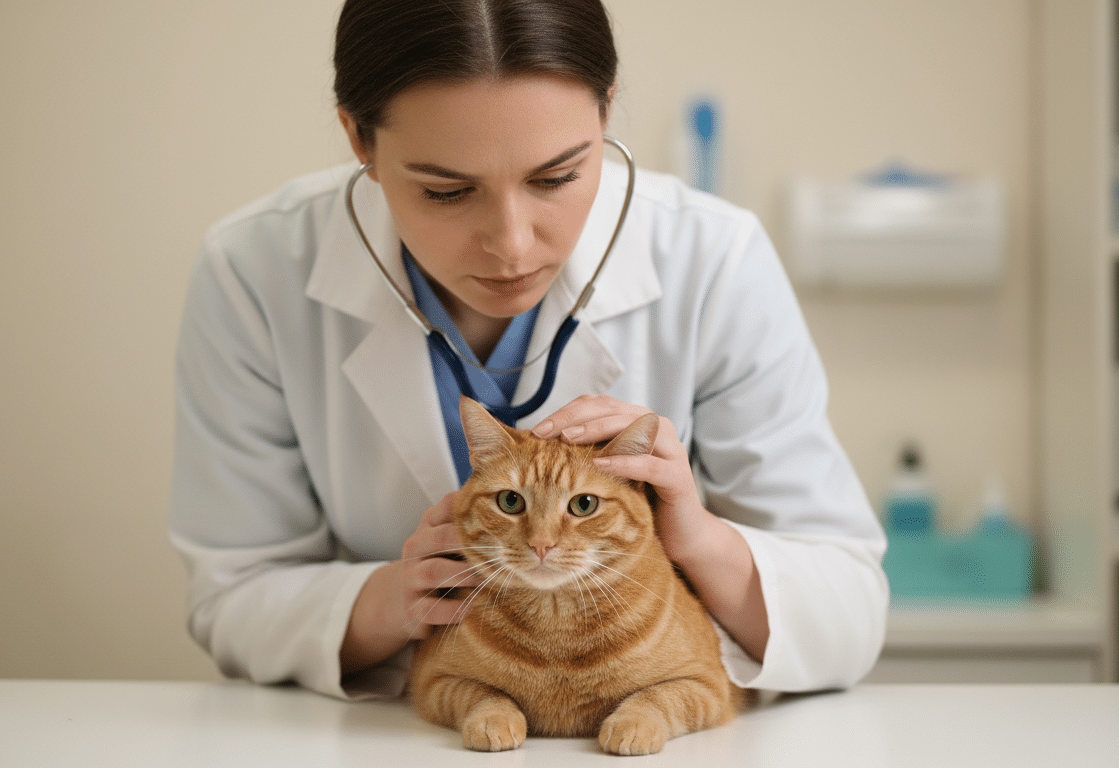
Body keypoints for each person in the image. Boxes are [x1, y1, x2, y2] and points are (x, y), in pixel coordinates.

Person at [169, 0, 888, 701]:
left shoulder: (715, 258)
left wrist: (696, 540)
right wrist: (393, 599)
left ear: (606, 113)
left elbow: (848, 612)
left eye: (556, 178)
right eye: (447, 191)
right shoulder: (254, 270)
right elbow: (232, 599)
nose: (511, 245)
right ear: (360, 141)